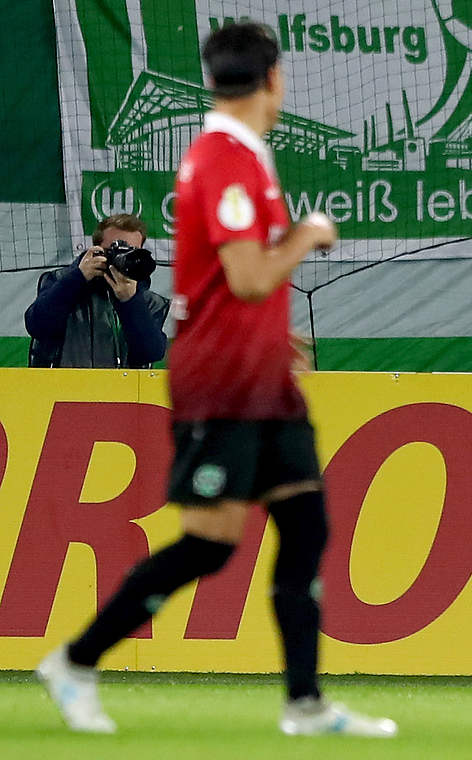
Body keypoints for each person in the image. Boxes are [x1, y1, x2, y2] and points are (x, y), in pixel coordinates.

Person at [35, 21, 396, 737]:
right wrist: (311, 233)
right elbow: (250, 274)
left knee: (306, 522)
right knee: (211, 542)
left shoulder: (240, 157)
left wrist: (268, 335)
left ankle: (305, 705)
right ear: (274, 79)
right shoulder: (228, 160)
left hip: (259, 376)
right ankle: (75, 661)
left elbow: (228, 286)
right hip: (223, 386)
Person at [25, 214, 169, 368]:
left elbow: (152, 352)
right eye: (114, 250)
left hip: (122, 390)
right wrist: (78, 278)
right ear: (96, 249)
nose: (122, 257)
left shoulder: (148, 301)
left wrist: (130, 301)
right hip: (61, 388)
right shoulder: (58, 280)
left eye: (131, 252)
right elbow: (37, 326)